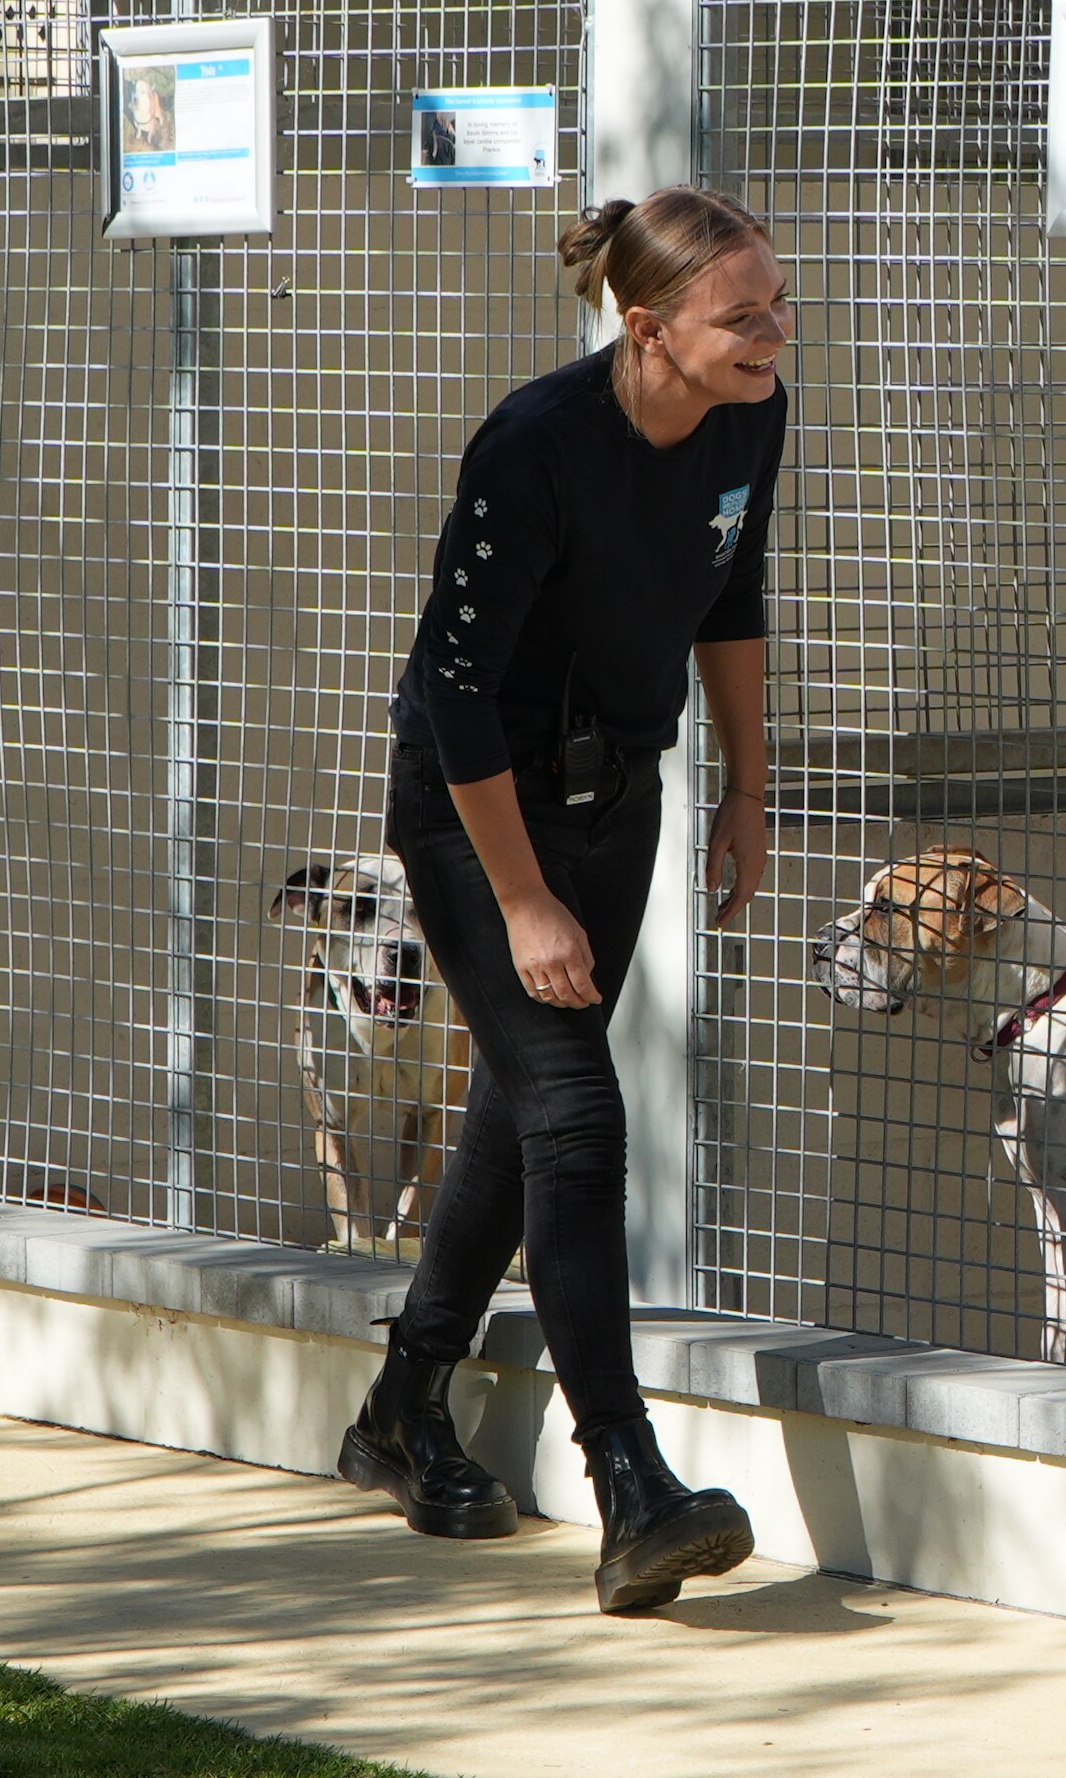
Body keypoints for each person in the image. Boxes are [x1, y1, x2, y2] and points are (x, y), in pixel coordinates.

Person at [336, 187, 789, 1613]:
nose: (776, 333)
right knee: (575, 1109)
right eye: (744, 315)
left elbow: (731, 594)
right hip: (478, 808)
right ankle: (630, 1484)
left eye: (779, 305)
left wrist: (749, 787)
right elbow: (452, 695)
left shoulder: (751, 412)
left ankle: (403, 1408)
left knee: (517, 1107)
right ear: (645, 325)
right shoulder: (532, 446)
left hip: (621, 796)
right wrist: (523, 901)